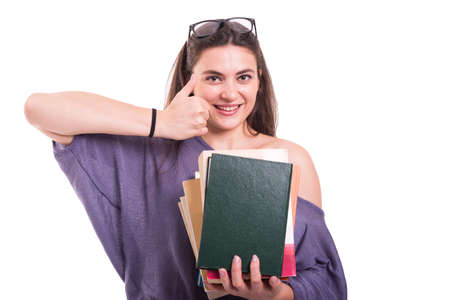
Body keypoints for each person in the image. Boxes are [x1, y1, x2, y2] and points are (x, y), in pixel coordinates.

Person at [24, 17, 347, 300]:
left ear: (259, 80)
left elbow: (323, 278)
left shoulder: (293, 158)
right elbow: (38, 109)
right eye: (213, 77)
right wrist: (161, 123)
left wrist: (276, 295)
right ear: (189, 80)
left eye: (244, 77)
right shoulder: (152, 154)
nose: (230, 93)